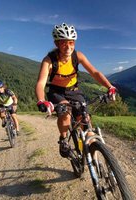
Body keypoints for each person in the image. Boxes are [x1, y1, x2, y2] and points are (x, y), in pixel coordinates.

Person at [35, 23, 116, 158]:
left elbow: (95, 72)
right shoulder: (49, 61)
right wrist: (42, 101)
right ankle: (63, 138)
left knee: (85, 119)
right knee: (65, 113)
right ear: (56, 44)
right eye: (64, 43)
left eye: (71, 42)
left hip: (74, 91)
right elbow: (41, 82)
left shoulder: (78, 56)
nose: (68, 47)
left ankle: (94, 152)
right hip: (57, 92)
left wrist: (110, 87)